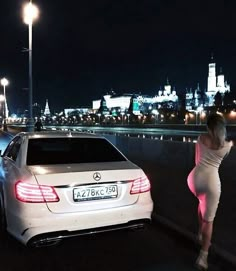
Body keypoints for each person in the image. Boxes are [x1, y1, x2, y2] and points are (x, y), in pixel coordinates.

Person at [187, 113, 233, 270]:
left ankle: (200, 234)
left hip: (194, 179)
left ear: (209, 127)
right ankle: (203, 256)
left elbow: (197, 160)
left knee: (201, 202)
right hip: (211, 183)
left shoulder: (201, 138)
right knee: (209, 220)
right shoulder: (227, 146)